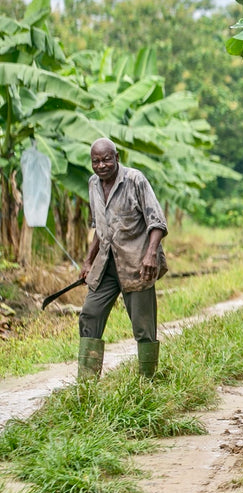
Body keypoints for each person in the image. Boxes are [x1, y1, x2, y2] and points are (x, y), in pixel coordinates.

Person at [77, 138, 168, 379]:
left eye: (107, 159)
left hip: (137, 265)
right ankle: (87, 383)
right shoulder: (93, 184)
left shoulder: (135, 180)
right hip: (106, 264)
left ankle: (148, 381)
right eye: (96, 161)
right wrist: (88, 262)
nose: (102, 165)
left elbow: (157, 222)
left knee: (143, 326)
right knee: (90, 314)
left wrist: (151, 255)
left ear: (117, 158)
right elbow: (100, 229)